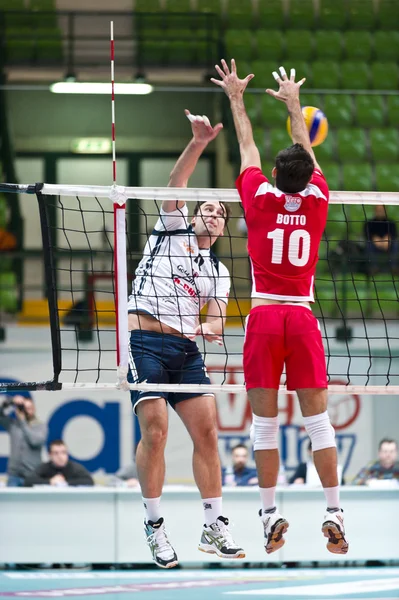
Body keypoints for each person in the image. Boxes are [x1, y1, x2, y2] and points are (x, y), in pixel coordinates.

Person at [212, 60, 348, 555]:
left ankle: (269, 511)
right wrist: (294, 104)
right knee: (319, 422)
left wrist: (237, 97)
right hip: (302, 314)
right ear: (310, 177)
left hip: (266, 315)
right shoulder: (317, 200)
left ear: (273, 175)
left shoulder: (258, 198)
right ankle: (334, 510)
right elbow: (305, 156)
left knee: (264, 424)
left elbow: (245, 146)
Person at [127, 109, 244, 569]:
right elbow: (176, 184)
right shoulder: (171, 231)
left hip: (186, 349)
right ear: (195, 216)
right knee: (155, 432)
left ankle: (214, 525)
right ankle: (155, 526)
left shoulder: (218, 272)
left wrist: (208, 330)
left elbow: (216, 321)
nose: (213, 215)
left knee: (209, 433)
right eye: (208, 208)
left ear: (222, 228)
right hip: (145, 342)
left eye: (220, 213)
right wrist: (198, 143)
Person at [0, 392, 47, 487]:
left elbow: (35, 441)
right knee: (11, 502)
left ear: (34, 409)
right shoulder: (13, 425)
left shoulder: (41, 426)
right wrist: (11, 401)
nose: (26, 411)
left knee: (32, 502)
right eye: (24, 408)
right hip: (14, 475)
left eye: (29, 408)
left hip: (32, 475)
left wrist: (22, 422)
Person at [24, 439, 94, 487]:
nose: (60, 456)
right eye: (56, 453)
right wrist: (50, 481)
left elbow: (89, 481)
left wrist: (65, 483)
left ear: (67, 454)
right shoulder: (44, 467)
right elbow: (28, 481)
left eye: (63, 453)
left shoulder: (74, 467)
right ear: (50, 455)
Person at [364, 205, 398, 275]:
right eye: (378, 210)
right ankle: (373, 268)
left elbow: (394, 234)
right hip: (374, 246)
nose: (380, 212)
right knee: (368, 245)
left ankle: (394, 268)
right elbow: (367, 235)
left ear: (386, 211)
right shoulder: (369, 223)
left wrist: (388, 239)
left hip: (389, 246)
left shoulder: (391, 223)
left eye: (382, 210)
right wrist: (375, 239)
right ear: (375, 211)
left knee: (396, 245)